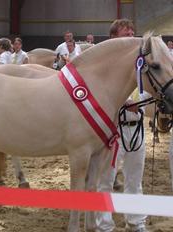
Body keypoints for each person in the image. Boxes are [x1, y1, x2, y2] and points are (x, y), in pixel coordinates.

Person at [95, 18, 148, 232]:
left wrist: (141, 104)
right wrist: (124, 104)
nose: (131, 35)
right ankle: (104, 225)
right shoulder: (103, 67)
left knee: (134, 180)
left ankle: (136, 222)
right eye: (126, 33)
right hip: (113, 130)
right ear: (113, 38)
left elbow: (145, 90)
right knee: (105, 180)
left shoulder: (138, 64)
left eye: (132, 32)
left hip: (136, 128)